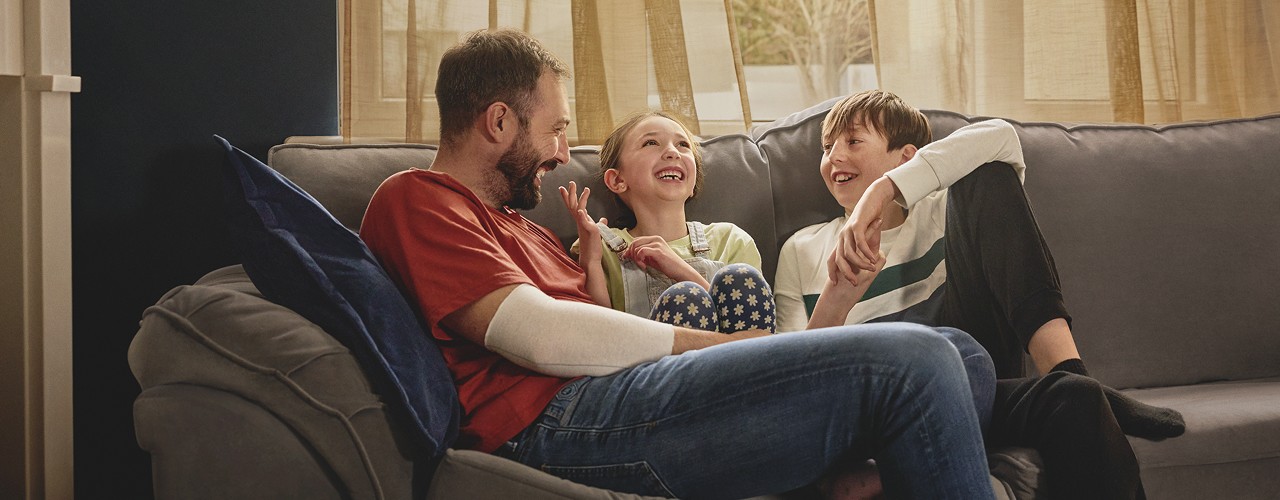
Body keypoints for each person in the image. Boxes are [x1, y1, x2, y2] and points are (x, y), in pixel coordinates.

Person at [361, 29, 996, 499]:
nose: (560, 152)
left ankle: (833, 476)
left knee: (963, 355)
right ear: (498, 121)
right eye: (553, 130)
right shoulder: (418, 200)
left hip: (615, 397)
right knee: (920, 361)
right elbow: (543, 335)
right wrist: (720, 346)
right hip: (561, 423)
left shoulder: (518, 225)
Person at [775, 89, 1186, 499]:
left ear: (906, 158)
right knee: (1082, 400)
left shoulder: (943, 210)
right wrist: (837, 299)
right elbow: (794, 384)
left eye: (853, 141)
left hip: (970, 380)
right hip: (875, 406)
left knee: (1074, 398)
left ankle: (1069, 371)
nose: (834, 157)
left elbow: (1000, 137)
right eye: (827, 147)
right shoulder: (801, 248)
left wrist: (883, 192)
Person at [560, 111, 774, 333]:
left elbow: (751, 327)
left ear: (694, 180)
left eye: (683, 145)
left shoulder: (731, 240)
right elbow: (602, 335)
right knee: (686, 300)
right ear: (617, 180)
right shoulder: (600, 245)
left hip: (739, 362)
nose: (672, 152)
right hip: (653, 364)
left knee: (740, 278)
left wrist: (679, 269)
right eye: (651, 143)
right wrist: (591, 261)